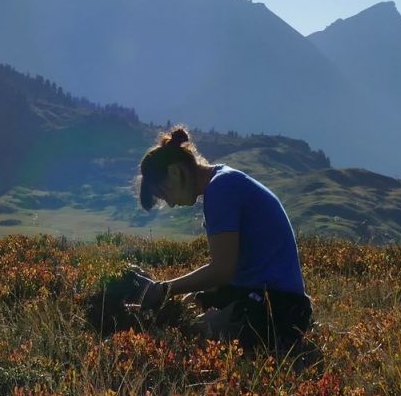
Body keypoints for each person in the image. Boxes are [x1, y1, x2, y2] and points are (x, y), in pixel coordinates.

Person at [130, 127, 314, 354]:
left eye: (164, 193)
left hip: (278, 307)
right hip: (270, 297)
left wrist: (165, 289)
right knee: (188, 307)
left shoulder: (221, 190)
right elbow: (232, 269)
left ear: (176, 172)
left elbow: (222, 271)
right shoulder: (223, 181)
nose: (170, 203)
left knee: (185, 330)